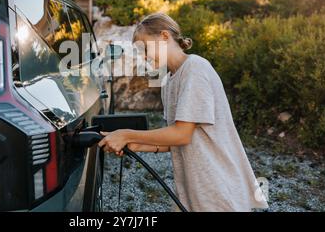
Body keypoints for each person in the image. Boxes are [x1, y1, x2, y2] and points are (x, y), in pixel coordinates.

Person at [98, 13, 269, 212]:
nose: (143, 56)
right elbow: (173, 140)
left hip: (216, 186)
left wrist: (125, 134)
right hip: (191, 187)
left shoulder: (195, 69)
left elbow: (182, 133)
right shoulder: (169, 81)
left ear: (164, 36)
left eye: (144, 48)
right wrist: (133, 144)